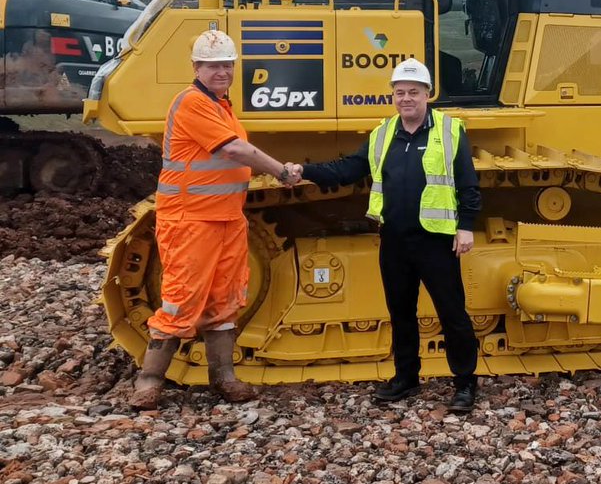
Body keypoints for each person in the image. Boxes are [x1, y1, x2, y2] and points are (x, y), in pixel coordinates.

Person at [286, 57, 481, 412]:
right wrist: (306, 170)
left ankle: (465, 383)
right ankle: (406, 378)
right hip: (394, 240)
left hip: (436, 240)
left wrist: (466, 226)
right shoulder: (382, 135)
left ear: (427, 95)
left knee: (452, 312)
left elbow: (468, 183)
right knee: (400, 312)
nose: (406, 98)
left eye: (414, 92)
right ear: (393, 96)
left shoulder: (450, 133)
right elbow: (348, 168)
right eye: (400, 92)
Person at [131, 29, 299, 409]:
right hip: (191, 219)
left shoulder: (221, 104)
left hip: (225, 218)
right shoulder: (192, 103)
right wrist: (281, 171)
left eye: (226, 65)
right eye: (213, 66)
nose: (221, 71)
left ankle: (223, 378)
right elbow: (236, 149)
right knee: (182, 297)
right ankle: (150, 380)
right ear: (195, 67)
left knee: (226, 296)